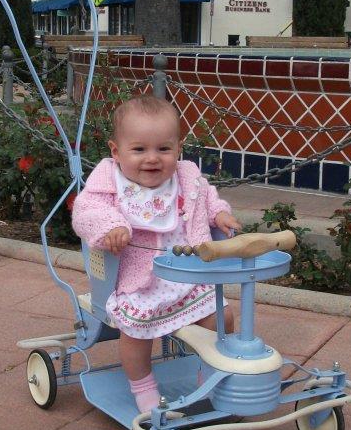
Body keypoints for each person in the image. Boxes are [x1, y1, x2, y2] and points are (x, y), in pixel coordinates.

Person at [72, 96, 241, 412]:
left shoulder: (186, 176)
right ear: (116, 151)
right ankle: (143, 385)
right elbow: (86, 211)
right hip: (140, 283)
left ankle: (209, 373)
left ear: (178, 148)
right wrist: (112, 226)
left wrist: (219, 215)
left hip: (188, 276)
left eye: (163, 149)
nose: (152, 158)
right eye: (139, 150)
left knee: (223, 316)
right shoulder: (109, 179)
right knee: (137, 333)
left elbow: (207, 197)